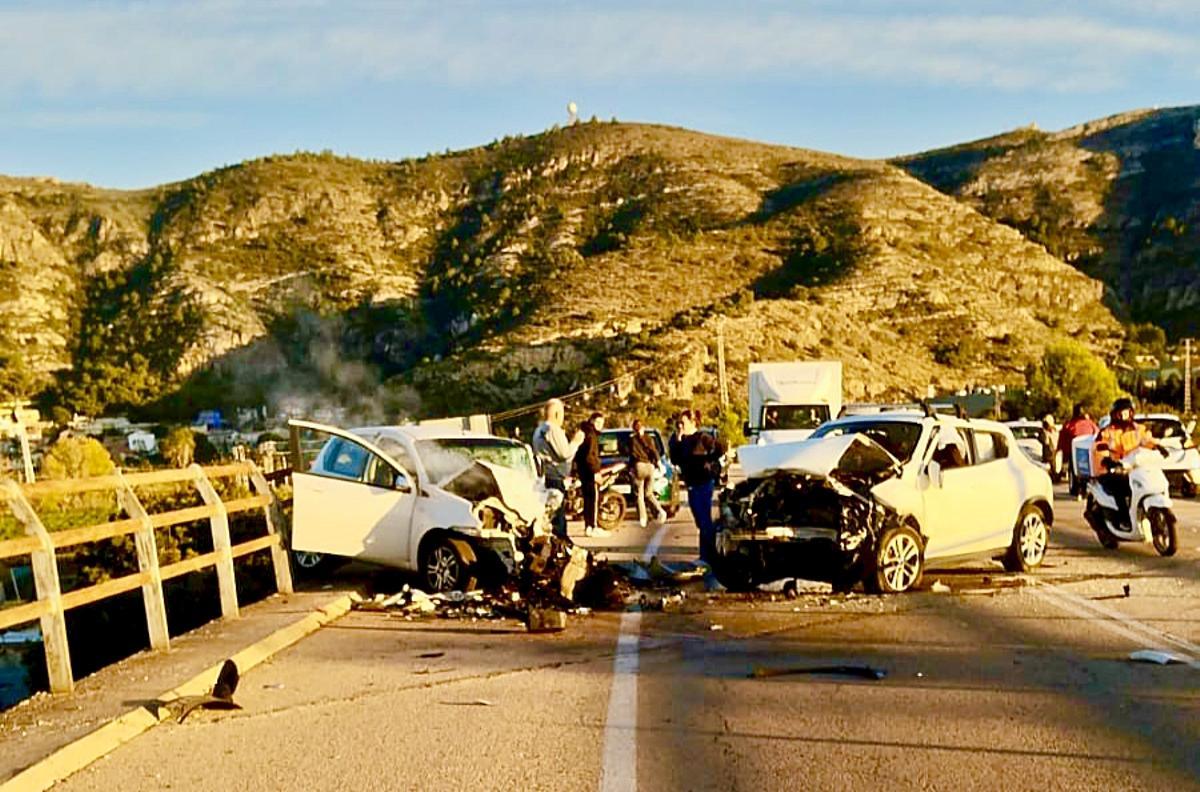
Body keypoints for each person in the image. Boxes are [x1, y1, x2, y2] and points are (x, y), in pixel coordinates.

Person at [669, 409, 726, 581]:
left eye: (683, 423)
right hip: (691, 484)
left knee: (704, 519)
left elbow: (720, 448)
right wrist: (678, 439)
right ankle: (706, 554)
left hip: (704, 482)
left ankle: (708, 556)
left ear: (693, 423)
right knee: (700, 521)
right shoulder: (678, 440)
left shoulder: (703, 438)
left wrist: (708, 462)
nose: (680, 426)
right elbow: (675, 459)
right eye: (679, 423)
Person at [1094, 397, 1162, 517]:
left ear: (1131, 412)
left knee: (1148, 481)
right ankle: (1123, 516)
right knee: (1121, 486)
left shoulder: (1138, 429)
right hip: (1112, 470)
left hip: (1134, 467)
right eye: (1120, 412)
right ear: (1114, 414)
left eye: (1126, 411)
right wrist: (1106, 460)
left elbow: (1147, 440)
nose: (1123, 415)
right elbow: (1100, 446)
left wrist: (1159, 446)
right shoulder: (1108, 431)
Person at [531, 399, 583, 540]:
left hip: (544, 476)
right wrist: (576, 442)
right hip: (555, 476)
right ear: (556, 413)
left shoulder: (539, 430)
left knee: (550, 515)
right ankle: (561, 544)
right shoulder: (552, 429)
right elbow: (564, 454)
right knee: (558, 517)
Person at [573, 412, 608, 537]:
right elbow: (590, 456)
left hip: (583, 471)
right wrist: (595, 472)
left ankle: (588, 526)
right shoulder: (591, 435)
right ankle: (593, 526)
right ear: (592, 421)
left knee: (588, 499)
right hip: (589, 471)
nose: (600, 425)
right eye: (598, 422)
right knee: (593, 499)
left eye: (602, 423)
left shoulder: (584, 432)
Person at [629, 418, 668, 528]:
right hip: (650, 466)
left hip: (639, 466)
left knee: (639, 495)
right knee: (649, 493)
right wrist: (659, 464)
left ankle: (643, 518)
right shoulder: (649, 439)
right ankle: (660, 510)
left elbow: (632, 454)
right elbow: (654, 451)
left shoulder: (633, 440)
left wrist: (630, 468)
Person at [1058, 403, 1099, 495]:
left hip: (1074, 453)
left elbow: (1062, 440)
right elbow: (1097, 435)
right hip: (1088, 453)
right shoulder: (1091, 424)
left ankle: (1076, 489)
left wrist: (1061, 451)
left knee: (1074, 471)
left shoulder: (1069, 425)